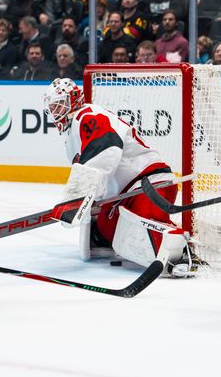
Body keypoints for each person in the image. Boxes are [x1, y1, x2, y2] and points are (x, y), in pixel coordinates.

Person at [43, 78, 204, 277]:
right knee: (105, 230)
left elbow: (105, 149)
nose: (56, 113)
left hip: (149, 182)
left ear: (74, 99)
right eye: (52, 109)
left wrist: (77, 197)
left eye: (59, 105)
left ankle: (184, 253)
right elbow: (98, 172)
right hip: (123, 195)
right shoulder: (71, 136)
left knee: (139, 230)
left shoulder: (87, 115)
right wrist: (92, 201)